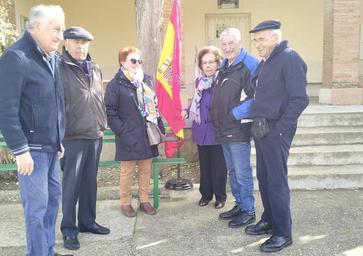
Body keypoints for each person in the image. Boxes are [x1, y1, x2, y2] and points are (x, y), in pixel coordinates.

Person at [0, 5, 71, 256]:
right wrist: (20, 150)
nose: (60, 35)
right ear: (37, 26)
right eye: (56, 29)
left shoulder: (51, 57)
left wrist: (58, 136)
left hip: (51, 147)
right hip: (32, 151)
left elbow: (56, 100)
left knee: (52, 205)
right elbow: (6, 109)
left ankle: (47, 251)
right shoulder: (16, 57)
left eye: (61, 29)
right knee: (37, 210)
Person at [245, 20, 309, 253]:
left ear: (274, 38)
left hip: (276, 130)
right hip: (261, 128)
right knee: (264, 178)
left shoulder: (290, 58)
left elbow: (300, 99)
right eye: (256, 40)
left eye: (261, 39)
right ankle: (269, 219)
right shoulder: (267, 61)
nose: (257, 44)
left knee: (277, 182)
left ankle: (283, 233)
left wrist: (281, 128)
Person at [59, 26, 110, 251]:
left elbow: (97, 98)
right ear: (66, 44)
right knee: (71, 185)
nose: (81, 47)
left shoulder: (95, 68)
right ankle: (69, 230)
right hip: (72, 136)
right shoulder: (59, 67)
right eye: (76, 42)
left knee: (90, 182)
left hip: (95, 134)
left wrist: (102, 123)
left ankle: (87, 222)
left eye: (84, 42)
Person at [105, 47, 162, 217]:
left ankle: (144, 200)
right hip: (127, 135)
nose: (137, 64)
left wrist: (157, 125)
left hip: (146, 133)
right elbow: (110, 111)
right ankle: (126, 203)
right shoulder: (116, 84)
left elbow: (155, 105)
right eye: (133, 60)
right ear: (122, 62)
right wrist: (121, 131)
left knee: (145, 170)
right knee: (127, 171)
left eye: (139, 61)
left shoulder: (147, 81)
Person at [210, 28, 259, 228]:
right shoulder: (225, 65)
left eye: (231, 43)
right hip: (223, 129)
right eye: (224, 44)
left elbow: (257, 97)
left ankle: (249, 210)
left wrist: (234, 114)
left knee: (242, 171)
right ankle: (239, 204)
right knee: (232, 170)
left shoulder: (250, 64)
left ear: (239, 42)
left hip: (238, 129)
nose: (227, 47)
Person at [181, 46, 227, 209]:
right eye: (204, 63)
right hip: (201, 130)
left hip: (217, 130)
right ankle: (205, 195)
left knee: (219, 166)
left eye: (211, 62)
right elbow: (196, 100)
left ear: (218, 63)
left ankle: (220, 196)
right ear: (200, 66)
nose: (208, 66)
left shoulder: (222, 81)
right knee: (204, 165)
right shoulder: (199, 81)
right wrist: (187, 110)